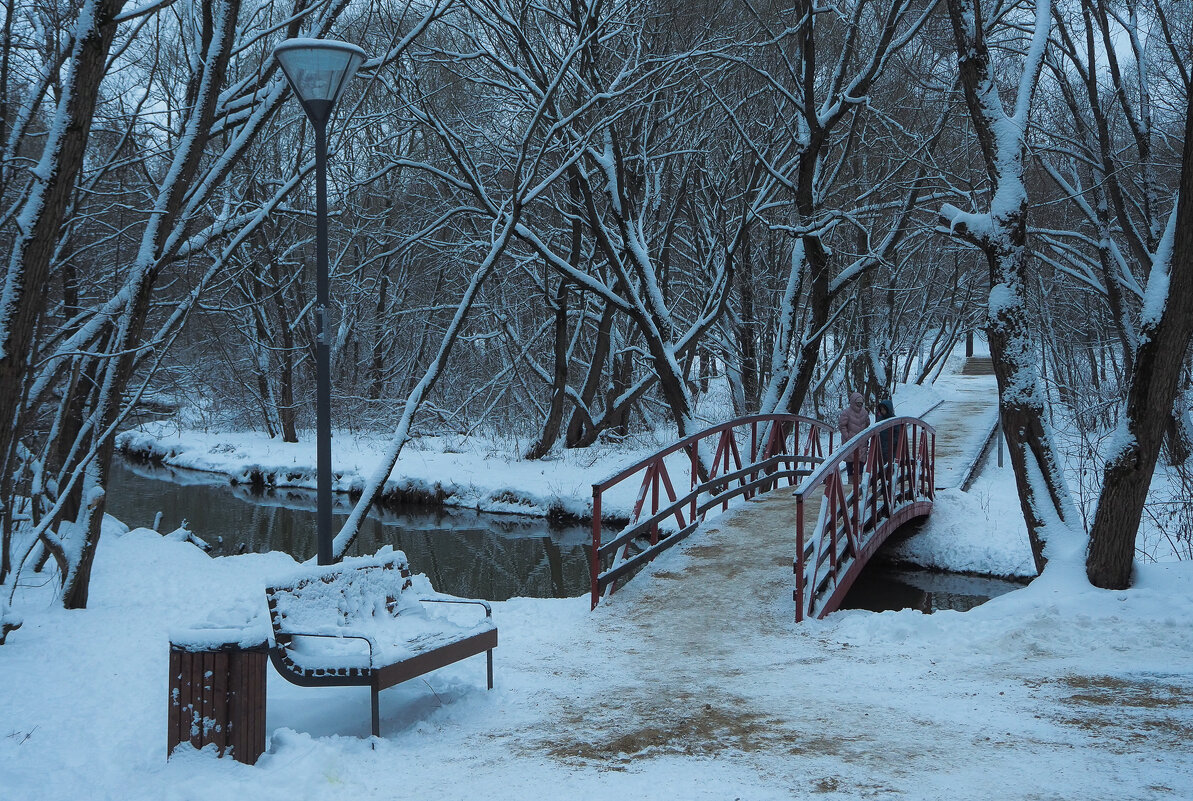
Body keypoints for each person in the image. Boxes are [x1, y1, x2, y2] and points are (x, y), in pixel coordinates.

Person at [838, 391, 870, 483]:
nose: (859, 405)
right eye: (857, 403)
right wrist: (847, 436)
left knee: (861, 460)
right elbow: (842, 425)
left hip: (862, 440)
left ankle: (858, 483)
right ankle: (851, 481)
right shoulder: (846, 412)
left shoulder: (864, 412)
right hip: (850, 441)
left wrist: (865, 434)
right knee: (850, 461)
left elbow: (868, 423)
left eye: (861, 403)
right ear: (853, 402)